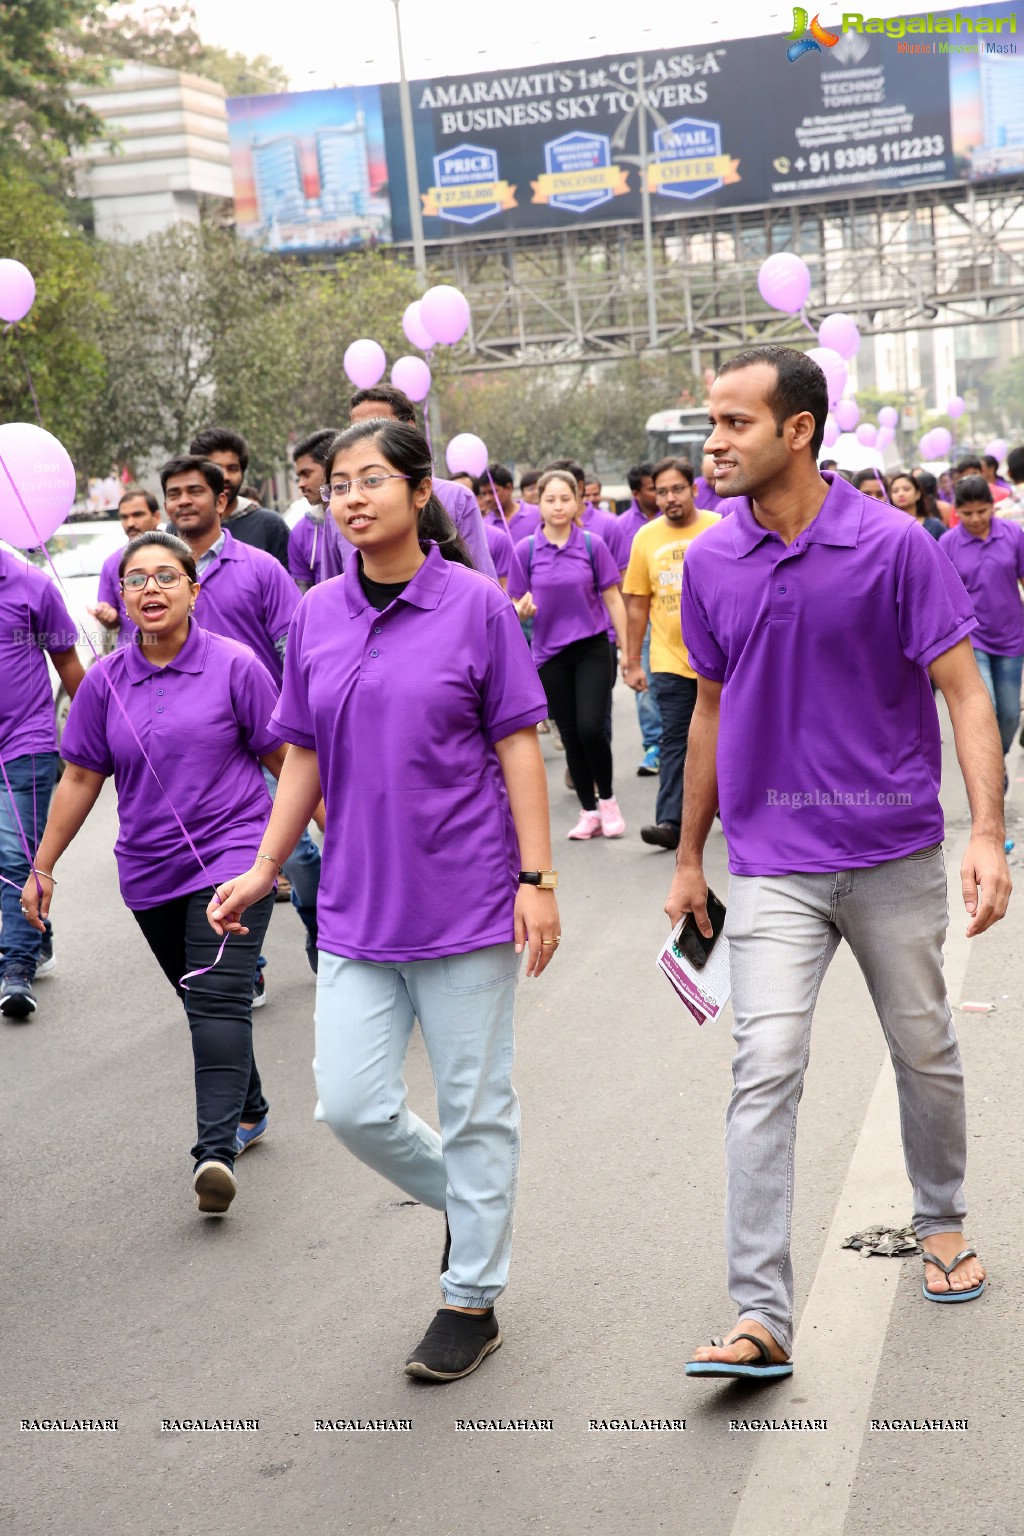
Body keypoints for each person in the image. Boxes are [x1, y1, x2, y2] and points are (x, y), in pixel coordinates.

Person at [667, 345, 1005, 1380]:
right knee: (763, 1066)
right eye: (710, 425)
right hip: (771, 865)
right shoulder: (710, 563)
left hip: (895, 852)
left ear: (797, 430)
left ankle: (940, 1220)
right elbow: (708, 714)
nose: (710, 445)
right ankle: (760, 1313)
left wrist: (985, 832)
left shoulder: (896, 546)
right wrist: (688, 855)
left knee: (924, 1047)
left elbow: (964, 690)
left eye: (731, 424)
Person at [206, 417, 559, 1382]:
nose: (350, 498)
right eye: (337, 486)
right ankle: (473, 1200)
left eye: (372, 481)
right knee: (353, 1106)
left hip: (469, 898)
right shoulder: (316, 612)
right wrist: (266, 865)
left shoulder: (477, 605)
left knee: (475, 1102)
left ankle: (471, 1296)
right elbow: (305, 753)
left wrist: (537, 878)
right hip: (359, 903)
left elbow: (519, 743)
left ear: (417, 492)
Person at [23, 531, 285, 1213]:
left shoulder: (236, 666)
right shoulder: (105, 682)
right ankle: (249, 1105)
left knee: (218, 996)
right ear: (120, 598)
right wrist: (43, 866)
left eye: (166, 576)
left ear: (194, 591)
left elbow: (289, 763)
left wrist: (329, 844)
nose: (150, 589)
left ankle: (215, 1152)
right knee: (201, 998)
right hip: (147, 871)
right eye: (135, 579)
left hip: (234, 858)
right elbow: (80, 775)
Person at [161, 454, 321, 980]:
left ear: (221, 501)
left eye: (194, 491)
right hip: (196, 745)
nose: (183, 501)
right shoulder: (156, 574)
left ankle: (324, 929)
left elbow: (294, 647)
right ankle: (241, 967)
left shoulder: (259, 567)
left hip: (266, 733)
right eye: (174, 493)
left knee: (293, 854)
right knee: (213, 853)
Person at [508, 469, 628, 839]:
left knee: (592, 728)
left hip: (592, 647)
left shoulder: (593, 544)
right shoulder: (525, 550)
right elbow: (515, 602)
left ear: (577, 502)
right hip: (548, 655)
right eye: (550, 499)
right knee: (572, 735)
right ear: (538, 503)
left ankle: (607, 801)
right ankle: (588, 811)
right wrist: (521, 611)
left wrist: (627, 651)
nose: (558, 506)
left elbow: (612, 598)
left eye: (565, 498)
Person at [0, 550, 85, 1018]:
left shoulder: (32, 585)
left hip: (26, 744)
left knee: (15, 857)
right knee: (9, 857)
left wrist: (101, 729)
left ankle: (15, 968)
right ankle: (37, 928)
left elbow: (67, 661)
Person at [622, 458, 719, 851]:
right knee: (675, 740)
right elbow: (636, 604)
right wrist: (631, 660)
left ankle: (736, 810)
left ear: (693, 489)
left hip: (721, 660)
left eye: (677, 489)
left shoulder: (718, 528)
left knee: (730, 735)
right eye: (661, 491)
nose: (669, 497)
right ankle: (670, 821)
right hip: (669, 660)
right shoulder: (645, 538)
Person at [319, 386, 496, 580]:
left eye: (378, 425)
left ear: (422, 492)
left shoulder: (458, 499)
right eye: (355, 429)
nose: (354, 500)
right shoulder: (317, 602)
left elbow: (481, 575)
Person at [939, 476, 1024, 771]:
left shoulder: (1013, 534)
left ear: (992, 507)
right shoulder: (947, 543)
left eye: (982, 511)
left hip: (1012, 637)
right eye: (967, 513)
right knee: (988, 709)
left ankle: (994, 763)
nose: (975, 519)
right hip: (971, 641)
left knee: (1011, 715)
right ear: (957, 512)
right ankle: (989, 771)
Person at [612, 462, 663, 777]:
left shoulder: (678, 519)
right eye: (651, 489)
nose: (659, 495)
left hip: (676, 616)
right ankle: (653, 746)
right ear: (635, 493)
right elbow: (619, 583)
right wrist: (625, 631)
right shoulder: (622, 527)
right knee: (645, 684)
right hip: (640, 620)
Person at [189, 428, 291, 569]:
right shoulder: (181, 527)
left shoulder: (269, 524)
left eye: (233, 468)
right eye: (216, 468)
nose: (225, 477)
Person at [89, 487, 162, 647]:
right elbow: (112, 619)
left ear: (156, 516)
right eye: (124, 517)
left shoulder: (179, 557)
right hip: (132, 657)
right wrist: (107, 615)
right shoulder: (112, 563)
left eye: (138, 515)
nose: (130, 523)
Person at [290, 429, 335, 593]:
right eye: (298, 477)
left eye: (306, 474)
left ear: (330, 467)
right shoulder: (300, 532)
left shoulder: (363, 516)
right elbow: (302, 594)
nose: (300, 484)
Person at [479, 462, 540, 543]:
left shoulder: (537, 514)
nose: (487, 499)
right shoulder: (483, 527)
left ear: (508, 488)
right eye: (484, 494)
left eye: (492, 492)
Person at [890, 472, 946, 539]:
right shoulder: (889, 529)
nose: (901, 494)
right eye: (895, 491)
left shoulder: (934, 526)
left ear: (918, 494)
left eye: (906, 489)